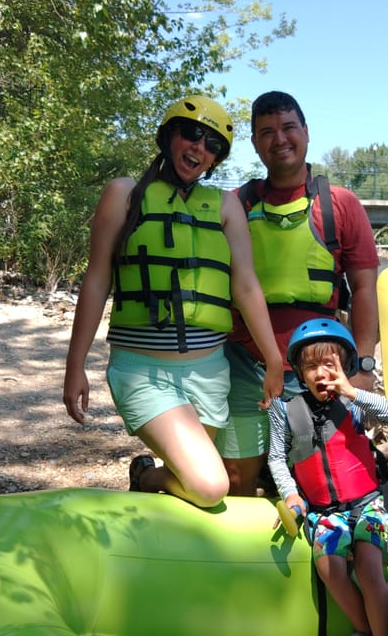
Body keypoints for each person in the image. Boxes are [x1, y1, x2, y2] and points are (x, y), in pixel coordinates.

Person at [62, 95, 283, 508]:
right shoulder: (123, 194)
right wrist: (75, 366)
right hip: (143, 373)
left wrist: (273, 359)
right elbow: (96, 280)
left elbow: (246, 286)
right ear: (169, 136)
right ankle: (146, 476)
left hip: (209, 373)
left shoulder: (224, 205)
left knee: (192, 482)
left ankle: (156, 520)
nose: (200, 147)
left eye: (213, 144)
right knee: (209, 485)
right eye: (193, 133)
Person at [217, 91, 381, 495]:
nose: (280, 139)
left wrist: (361, 366)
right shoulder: (237, 204)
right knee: (237, 482)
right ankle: (150, 476)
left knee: (318, 481)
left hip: (319, 370)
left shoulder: (341, 204)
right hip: (245, 363)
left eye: (289, 128)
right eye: (266, 132)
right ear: (255, 143)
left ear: (306, 133)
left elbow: (364, 289)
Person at [268, 319, 388, 636]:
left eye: (330, 364)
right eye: (311, 366)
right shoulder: (284, 410)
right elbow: (276, 457)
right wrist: (290, 494)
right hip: (324, 511)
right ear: (299, 373)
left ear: (346, 366)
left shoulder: (353, 403)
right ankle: (365, 629)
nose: (321, 373)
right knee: (328, 568)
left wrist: (354, 392)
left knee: (368, 566)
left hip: (369, 505)